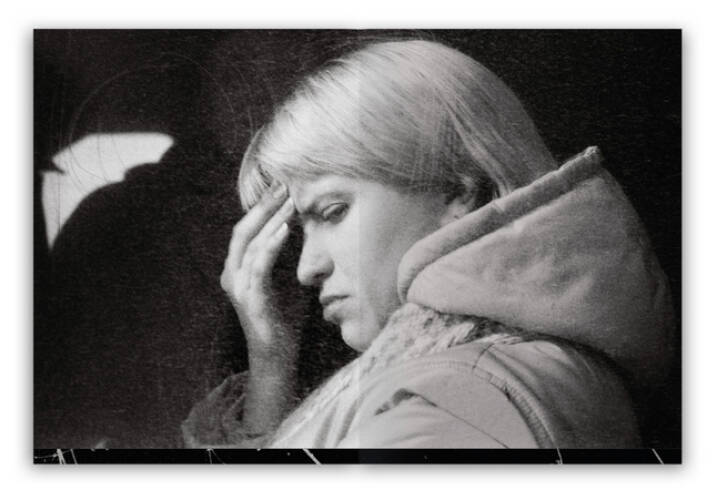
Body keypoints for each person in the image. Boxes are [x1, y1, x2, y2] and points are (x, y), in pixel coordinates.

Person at [182, 39, 674, 448]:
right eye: (300, 233)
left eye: (333, 212)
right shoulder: (493, 374)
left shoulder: (452, 400)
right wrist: (270, 364)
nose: (306, 269)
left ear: (457, 189)